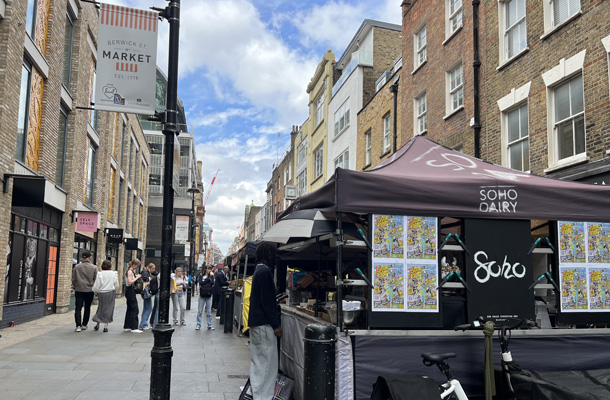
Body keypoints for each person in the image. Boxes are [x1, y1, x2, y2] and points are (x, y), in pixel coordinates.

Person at [248, 242, 282, 400]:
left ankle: (258, 395)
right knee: (267, 365)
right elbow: (267, 301)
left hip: (257, 323)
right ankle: (263, 397)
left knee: (258, 363)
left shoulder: (258, 271)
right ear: (268, 254)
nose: (274, 257)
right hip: (264, 325)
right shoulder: (265, 272)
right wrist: (276, 325)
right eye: (273, 254)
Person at [72, 251, 98, 332]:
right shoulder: (94, 267)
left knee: (78, 308)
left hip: (79, 289)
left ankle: (78, 325)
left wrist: (75, 286)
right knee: (87, 307)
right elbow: (96, 279)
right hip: (89, 290)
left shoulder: (77, 267)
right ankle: (84, 324)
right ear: (90, 257)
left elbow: (73, 279)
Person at [92, 260, 119, 332]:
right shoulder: (114, 274)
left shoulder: (100, 274)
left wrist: (96, 291)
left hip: (102, 293)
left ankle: (97, 324)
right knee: (109, 308)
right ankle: (105, 325)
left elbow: (97, 285)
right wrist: (115, 290)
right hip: (110, 292)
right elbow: (116, 285)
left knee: (101, 307)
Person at [123, 259, 143, 333]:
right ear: (134, 265)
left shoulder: (130, 271)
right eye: (137, 266)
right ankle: (134, 327)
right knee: (134, 309)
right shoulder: (130, 272)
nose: (137, 267)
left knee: (130, 309)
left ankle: (127, 326)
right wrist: (137, 278)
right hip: (130, 291)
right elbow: (129, 282)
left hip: (129, 291)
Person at [196, 265, 215, 330]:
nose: (209, 270)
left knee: (209, 312)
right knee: (200, 311)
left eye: (210, 269)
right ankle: (198, 324)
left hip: (209, 294)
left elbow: (212, 282)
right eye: (208, 269)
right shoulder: (201, 275)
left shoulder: (212, 276)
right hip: (202, 294)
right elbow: (201, 283)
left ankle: (209, 325)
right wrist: (208, 280)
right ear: (205, 269)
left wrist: (207, 279)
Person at [139, 263, 153, 330]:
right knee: (149, 308)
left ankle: (143, 323)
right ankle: (143, 324)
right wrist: (148, 283)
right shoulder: (146, 273)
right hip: (146, 292)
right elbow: (143, 281)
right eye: (153, 268)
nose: (154, 270)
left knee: (146, 308)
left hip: (145, 292)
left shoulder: (147, 273)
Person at [148, 264, 160, 328]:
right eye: (153, 268)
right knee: (152, 309)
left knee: (155, 308)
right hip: (155, 292)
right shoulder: (148, 274)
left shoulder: (156, 274)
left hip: (155, 292)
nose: (154, 270)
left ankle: (153, 323)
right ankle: (154, 324)